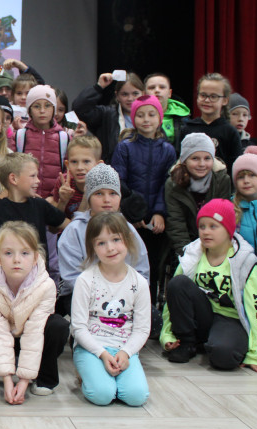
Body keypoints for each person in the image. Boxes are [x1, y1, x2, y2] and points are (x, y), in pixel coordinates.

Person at [0, 221, 68, 404]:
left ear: (35, 257)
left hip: (33, 337)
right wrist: (7, 379)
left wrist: (24, 380)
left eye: (25, 253)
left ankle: (45, 377)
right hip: (1, 337)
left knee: (58, 325)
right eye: (8, 253)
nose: (17, 260)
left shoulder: (46, 286)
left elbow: (35, 331)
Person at [160, 199, 257, 371]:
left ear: (228, 230)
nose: (206, 232)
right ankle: (187, 342)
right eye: (202, 227)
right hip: (202, 316)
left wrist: (256, 354)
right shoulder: (192, 255)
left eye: (213, 226)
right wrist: (167, 335)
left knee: (224, 358)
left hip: (230, 319)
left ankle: (215, 344)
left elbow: (256, 309)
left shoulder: (245, 261)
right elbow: (171, 301)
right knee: (178, 283)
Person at [71, 212, 151, 406]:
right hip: (91, 349)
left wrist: (125, 353)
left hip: (124, 349)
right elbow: (78, 328)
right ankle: (88, 374)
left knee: (136, 397)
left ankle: (107, 377)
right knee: (102, 395)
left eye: (116, 239)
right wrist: (102, 354)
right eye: (101, 243)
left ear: (127, 239)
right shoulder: (86, 280)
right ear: (93, 248)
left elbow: (142, 329)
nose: (110, 248)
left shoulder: (139, 283)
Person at [57, 164, 151, 315]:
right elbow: (71, 276)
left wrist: (127, 295)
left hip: (124, 296)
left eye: (113, 193)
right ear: (88, 197)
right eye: (99, 194)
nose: (107, 200)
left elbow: (141, 270)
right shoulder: (75, 230)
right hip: (82, 295)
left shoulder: (128, 229)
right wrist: (101, 296)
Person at [110, 94, 176, 302]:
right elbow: (119, 180)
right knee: (130, 261)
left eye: (151, 114)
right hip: (130, 218)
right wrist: (133, 212)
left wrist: (158, 212)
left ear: (160, 117)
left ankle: (152, 305)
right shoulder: (125, 147)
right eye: (140, 115)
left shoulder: (168, 150)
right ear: (133, 118)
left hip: (156, 220)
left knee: (155, 264)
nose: (146, 119)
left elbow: (168, 184)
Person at [0, 152, 64, 270]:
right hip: (2, 277)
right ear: (13, 178)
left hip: (36, 278)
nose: (38, 180)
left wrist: (65, 200)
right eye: (33, 176)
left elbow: (70, 225)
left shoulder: (40, 205)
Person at [164, 133, 233, 256]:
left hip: (216, 243)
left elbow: (223, 219)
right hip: (186, 244)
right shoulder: (174, 184)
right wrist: (188, 255)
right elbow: (176, 224)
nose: (202, 164)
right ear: (184, 161)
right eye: (195, 158)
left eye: (207, 158)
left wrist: (214, 253)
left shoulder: (222, 180)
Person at [13, 85, 70, 203]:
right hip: (24, 201)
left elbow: (68, 171)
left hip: (54, 203)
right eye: (36, 106)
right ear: (29, 110)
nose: (42, 111)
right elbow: (12, 170)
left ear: (54, 109)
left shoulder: (64, 138)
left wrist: (54, 196)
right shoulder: (19, 136)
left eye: (48, 105)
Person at [72, 71, 145, 162]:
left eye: (135, 93)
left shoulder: (150, 117)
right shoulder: (107, 114)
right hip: (112, 172)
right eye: (124, 94)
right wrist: (98, 87)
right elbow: (80, 108)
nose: (130, 98)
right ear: (117, 96)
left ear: (143, 93)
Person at [177, 73, 243, 171]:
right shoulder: (187, 129)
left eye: (213, 96)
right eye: (203, 95)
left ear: (225, 100)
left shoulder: (230, 132)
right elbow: (180, 162)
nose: (207, 100)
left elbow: (235, 167)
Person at [54, 134, 103, 225]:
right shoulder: (63, 183)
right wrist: (63, 202)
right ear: (67, 165)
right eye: (74, 162)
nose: (80, 167)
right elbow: (53, 227)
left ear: (99, 165)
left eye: (86, 161)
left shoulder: (104, 186)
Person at [143, 72, 190, 146]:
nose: (157, 90)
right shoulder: (137, 116)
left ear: (169, 93)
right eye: (152, 87)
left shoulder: (183, 118)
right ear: (144, 94)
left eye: (162, 87)